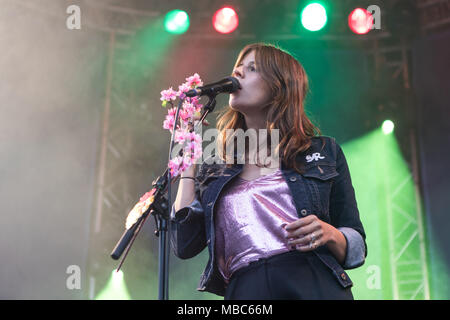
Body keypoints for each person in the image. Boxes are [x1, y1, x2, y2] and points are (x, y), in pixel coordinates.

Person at [170, 43, 367, 300]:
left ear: (279, 88)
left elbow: (357, 245)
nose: (238, 73)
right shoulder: (217, 166)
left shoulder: (323, 150)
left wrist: (331, 234)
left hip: (310, 279)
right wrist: (189, 159)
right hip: (245, 288)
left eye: (251, 68)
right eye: (237, 67)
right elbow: (184, 244)